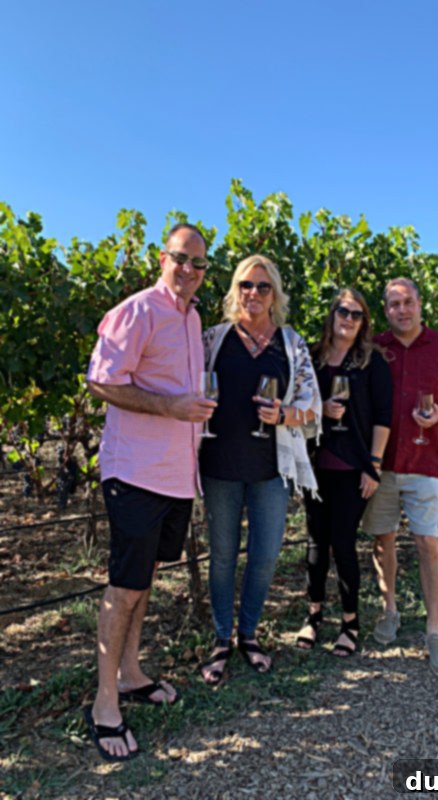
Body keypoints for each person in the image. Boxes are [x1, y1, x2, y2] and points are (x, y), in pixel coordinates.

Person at [84, 223, 217, 761]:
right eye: (180, 259)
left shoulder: (192, 318)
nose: (188, 270)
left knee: (144, 580)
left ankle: (133, 672)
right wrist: (171, 408)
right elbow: (101, 380)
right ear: (161, 258)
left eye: (198, 263)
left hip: (174, 475)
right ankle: (104, 703)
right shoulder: (139, 310)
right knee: (124, 586)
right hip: (135, 472)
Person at [198, 254, 322, 685]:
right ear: (235, 290)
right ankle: (220, 639)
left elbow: (313, 406)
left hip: (270, 467)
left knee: (266, 556)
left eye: (263, 287)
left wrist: (285, 416)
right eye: (246, 285)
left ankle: (249, 635)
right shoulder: (212, 338)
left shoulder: (291, 343)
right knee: (222, 558)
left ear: (275, 294)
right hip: (218, 465)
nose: (253, 294)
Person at [363, 277, 438, 677]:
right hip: (382, 463)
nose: (401, 310)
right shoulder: (375, 348)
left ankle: (434, 629)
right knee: (383, 539)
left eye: (407, 302)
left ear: (419, 303)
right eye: (393, 304)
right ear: (387, 310)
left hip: (425, 462)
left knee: (428, 541)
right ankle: (389, 608)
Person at [296, 289, 392, 656]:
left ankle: (350, 623)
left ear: (364, 321)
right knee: (316, 542)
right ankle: (313, 615)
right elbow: (298, 404)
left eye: (356, 314)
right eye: (343, 311)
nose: (348, 318)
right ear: (332, 314)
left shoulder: (372, 362)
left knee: (343, 542)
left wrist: (374, 466)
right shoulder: (313, 358)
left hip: (353, 468)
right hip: (316, 465)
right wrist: (320, 409)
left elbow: (383, 418)